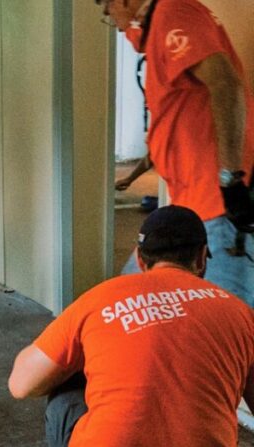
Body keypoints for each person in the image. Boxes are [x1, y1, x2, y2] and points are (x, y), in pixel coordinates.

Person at [9, 205, 254, 447]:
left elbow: (21, 385)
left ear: (140, 259)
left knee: (63, 398)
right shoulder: (240, 313)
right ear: (201, 258)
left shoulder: (99, 299)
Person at [98, 0, 254, 304]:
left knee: (232, 320)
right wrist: (131, 177)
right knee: (127, 300)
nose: (108, 17)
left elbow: (226, 84)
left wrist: (230, 178)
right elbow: (166, 132)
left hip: (217, 208)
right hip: (186, 207)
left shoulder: (172, 11)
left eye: (107, 7)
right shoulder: (156, 27)